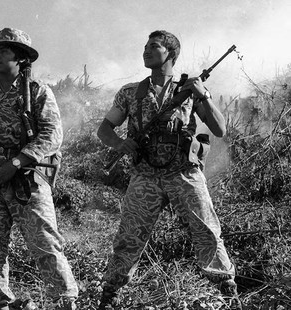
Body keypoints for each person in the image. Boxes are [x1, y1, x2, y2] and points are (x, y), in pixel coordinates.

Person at [96, 30, 242, 310]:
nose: (146, 50)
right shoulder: (130, 92)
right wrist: (120, 144)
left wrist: (204, 96)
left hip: (184, 174)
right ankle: (109, 295)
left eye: (154, 46)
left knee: (207, 233)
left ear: (170, 54)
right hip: (145, 176)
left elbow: (220, 129)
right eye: (145, 46)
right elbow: (104, 129)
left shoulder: (188, 89)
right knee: (129, 237)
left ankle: (227, 292)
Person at [0, 28, 78, 310]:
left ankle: (65, 301)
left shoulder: (37, 92)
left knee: (44, 243)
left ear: (21, 58)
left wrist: (15, 163)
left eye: (5, 50)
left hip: (27, 181)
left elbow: (51, 135)